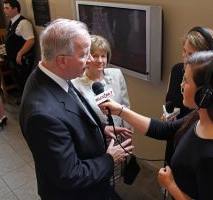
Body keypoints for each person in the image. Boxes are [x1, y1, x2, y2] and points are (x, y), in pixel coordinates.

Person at [100, 51, 213, 200]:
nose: (181, 84)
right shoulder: (202, 115)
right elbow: (163, 130)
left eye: (186, 81)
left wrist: (170, 185)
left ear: (205, 94)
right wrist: (121, 110)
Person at [19, 18, 134, 200]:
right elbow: (69, 175)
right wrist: (110, 159)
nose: (90, 60)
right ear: (62, 61)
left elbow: (71, 117)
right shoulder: (41, 115)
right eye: (84, 54)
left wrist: (100, 129)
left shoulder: (54, 74)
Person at [72, 34, 131, 185]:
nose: (100, 60)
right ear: (87, 58)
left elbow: (125, 105)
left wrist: (127, 135)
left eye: (103, 56)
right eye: (95, 56)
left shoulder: (116, 75)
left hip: (118, 136)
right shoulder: (75, 84)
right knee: (100, 177)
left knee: (116, 176)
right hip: (94, 141)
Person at [164, 26, 213, 166]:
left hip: (194, 143)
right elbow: (169, 102)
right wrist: (166, 115)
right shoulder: (176, 70)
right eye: (184, 51)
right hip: (173, 134)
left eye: (191, 54)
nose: (184, 57)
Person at [3, 0, 35, 98]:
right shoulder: (12, 21)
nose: (4, 10)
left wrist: (19, 54)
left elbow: (30, 40)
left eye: (7, 8)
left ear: (15, 9)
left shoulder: (23, 23)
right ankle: (24, 99)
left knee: (25, 82)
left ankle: (29, 103)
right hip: (14, 59)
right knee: (19, 81)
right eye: (4, 8)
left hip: (23, 59)